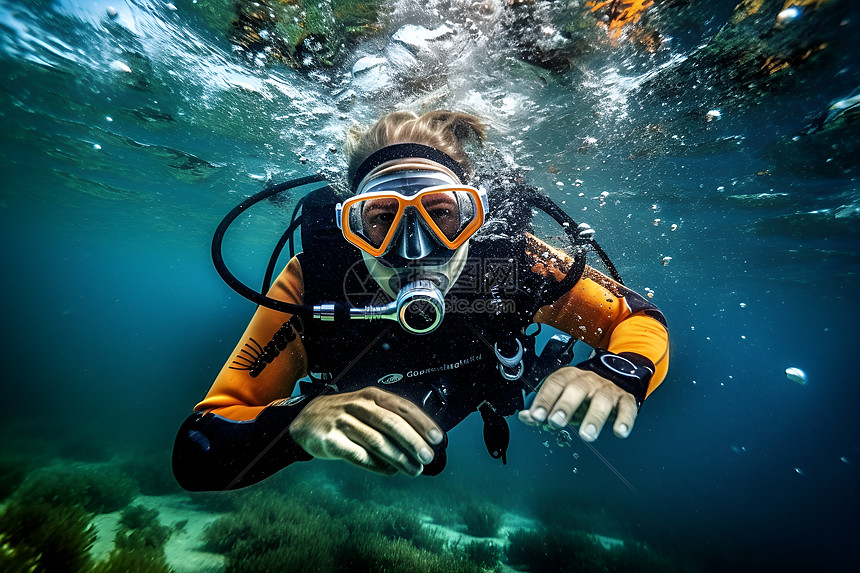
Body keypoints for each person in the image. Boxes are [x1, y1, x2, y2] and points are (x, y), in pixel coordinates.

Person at [172, 110, 670, 491]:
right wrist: (297, 423)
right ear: (351, 227)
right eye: (381, 219)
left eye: (441, 215)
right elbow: (198, 448)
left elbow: (639, 319)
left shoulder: (510, 262)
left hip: (485, 383)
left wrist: (619, 372)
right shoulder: (314, 283)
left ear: (475, 216)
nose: (415, 250)